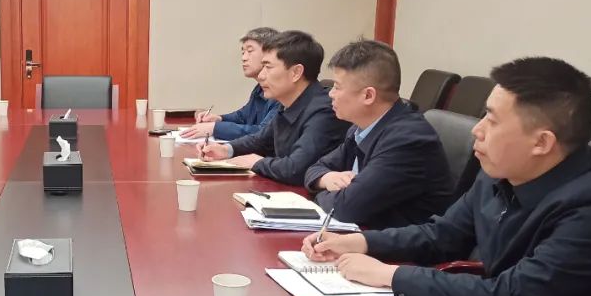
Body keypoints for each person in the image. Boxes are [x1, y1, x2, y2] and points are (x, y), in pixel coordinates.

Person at [302, 57, 591, 296]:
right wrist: (361, 242)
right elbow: (442, 236)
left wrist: (390, 275)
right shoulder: (500, 171)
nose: (476, 130)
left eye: (492, 121)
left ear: (541, 142)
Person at [303, 39, 451, 228]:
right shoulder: (362, 127)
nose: (330, 94)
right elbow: (315, 168)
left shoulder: (408, 140)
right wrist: (326, 179)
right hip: (363, 232)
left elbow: (345, 208)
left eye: (338, 87)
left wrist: (321, 192)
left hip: (398, 243)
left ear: (368, 96)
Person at [199, 30, 348, 185]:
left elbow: (296, 168)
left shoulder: (325, 111)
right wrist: (226, 149)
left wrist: (257, 162)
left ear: (296, 73)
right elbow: (260, 140)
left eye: (268, 67)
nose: (261, 75)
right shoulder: (288, 102)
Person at [180, 27, 282, 140]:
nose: (243, 58)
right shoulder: (260, 88)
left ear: (270, 53)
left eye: (249, 51)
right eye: (243, 52)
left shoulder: (282, 91)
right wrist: (219, 119)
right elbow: (243, 116)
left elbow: (264, 133)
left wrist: (215, 128)